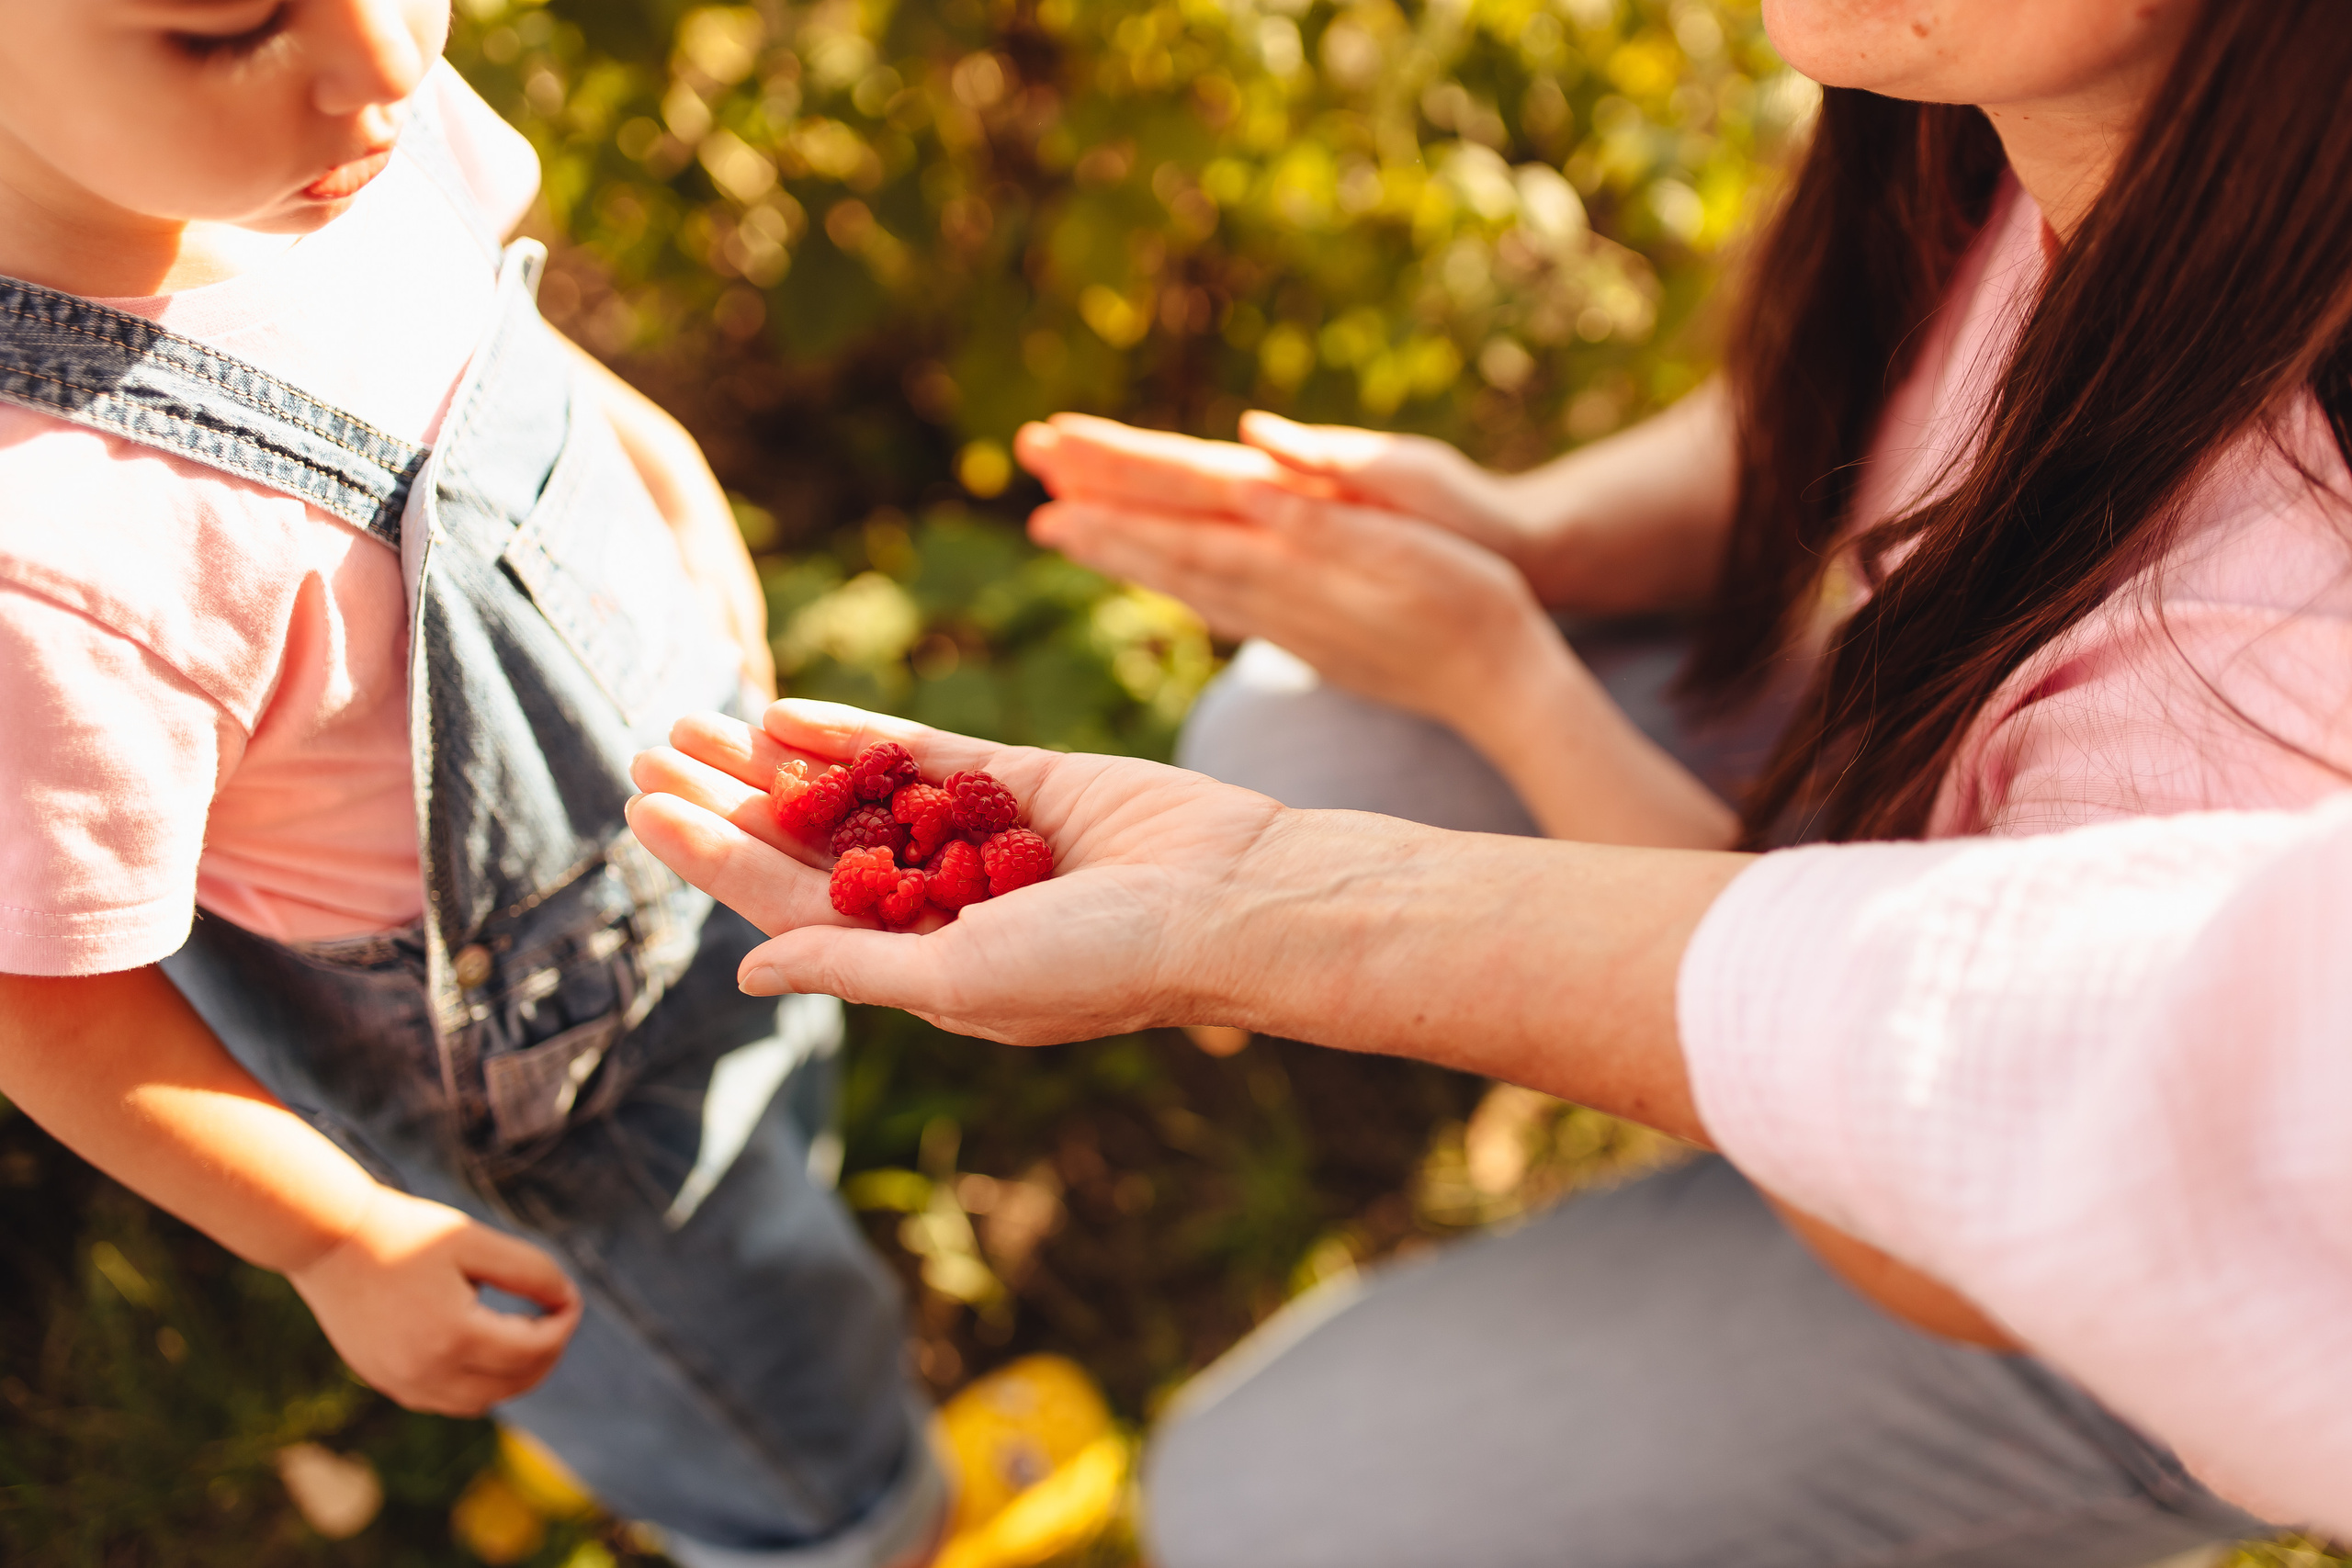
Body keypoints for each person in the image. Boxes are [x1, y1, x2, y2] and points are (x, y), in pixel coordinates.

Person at [631, 0, 2352, 1562]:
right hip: (1927, 781)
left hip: (2080, 1272)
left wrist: (1507, 684)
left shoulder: (2281, 623)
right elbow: (1828, 408)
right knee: (1308, 734)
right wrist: (1528, 540)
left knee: (1265, 1512)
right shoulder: (2004, 93)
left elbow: (1941, 1207)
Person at [0, 6, 944, 1563]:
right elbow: (41, 993)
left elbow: (491, 340)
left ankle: (688, 1394)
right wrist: (338, 1236)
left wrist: (659, 468)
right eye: (228, 23)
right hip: (547, 1097)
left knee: (773, 1166)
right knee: (750, 1373)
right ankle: (854, 1522)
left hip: (702, 873)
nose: (384, 59)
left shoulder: (344, 135)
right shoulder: (55, 567)